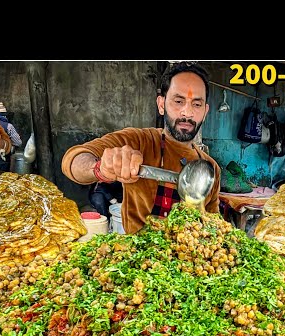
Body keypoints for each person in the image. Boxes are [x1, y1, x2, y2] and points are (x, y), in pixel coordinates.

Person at [61, 61, 221, 234]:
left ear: (205, 112)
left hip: (189, 256)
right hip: (138, 255)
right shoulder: (139, 141)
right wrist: (100, 169)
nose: (187, 112)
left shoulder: (211, 168)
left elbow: (214, 224)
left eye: (196, 104)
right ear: (161, 105)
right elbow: (73, 160)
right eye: (178, 101)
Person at [0, 102, 22, 172]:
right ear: (5, 116)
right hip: (4, 159)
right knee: (3, 180)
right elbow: (18, 142)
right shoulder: (9, 126)